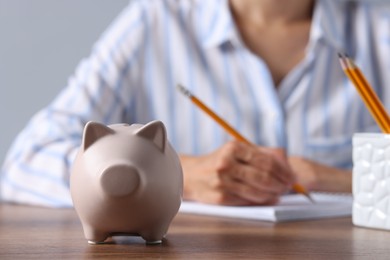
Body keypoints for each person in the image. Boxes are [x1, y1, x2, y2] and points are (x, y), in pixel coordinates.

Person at [1, 0, 390, 207]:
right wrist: (174, 175)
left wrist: (349, 181)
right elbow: (25, 162)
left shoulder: (380, 31)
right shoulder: (152, 22)